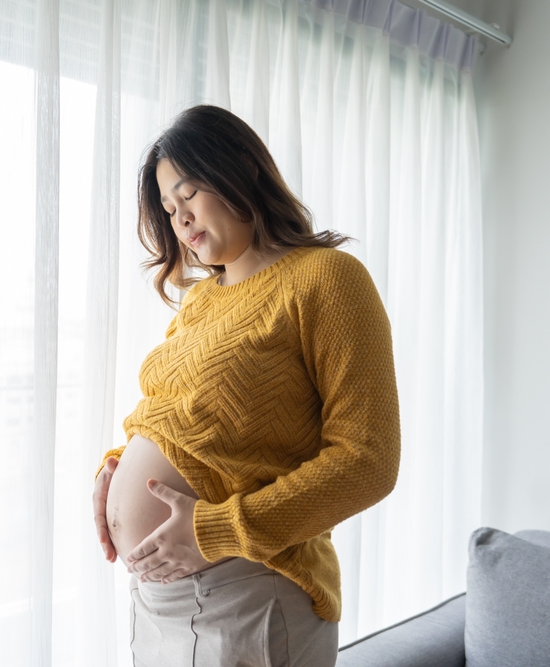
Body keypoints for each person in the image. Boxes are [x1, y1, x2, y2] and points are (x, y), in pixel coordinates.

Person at [92, 105, 401, 667]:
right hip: (155, 603)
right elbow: (177, 413)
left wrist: (216, 529)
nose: (180, 219)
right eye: (168, 208)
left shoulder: (326, 279)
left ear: (242, 171)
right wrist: (116, 469)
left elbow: (368, 461)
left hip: (248, 596)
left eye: (188, 195)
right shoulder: (203, 298)